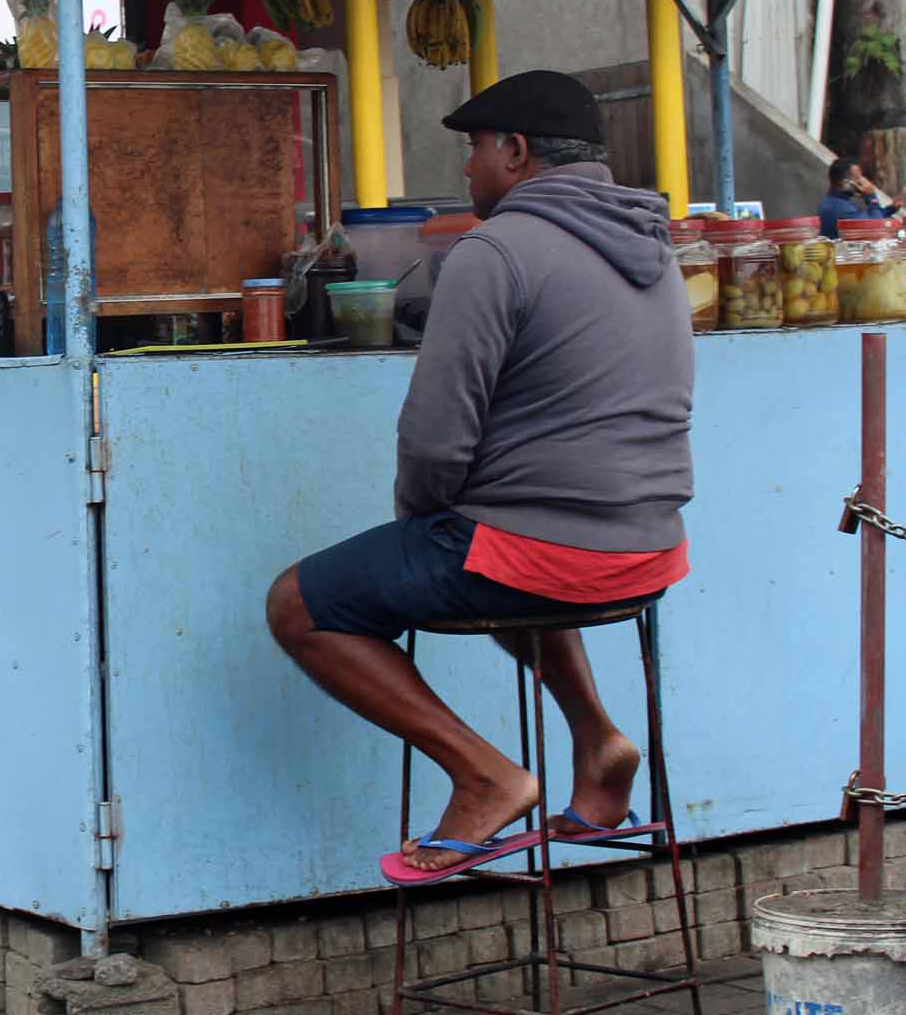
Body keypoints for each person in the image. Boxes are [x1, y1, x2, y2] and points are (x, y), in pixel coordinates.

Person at [264, 70, 694, 886]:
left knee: (298, 604)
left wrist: (420, 524)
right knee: (499, 548)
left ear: (517, 152)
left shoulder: (494, 253)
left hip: (546, 552)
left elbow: (431, 440)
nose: (466, 172)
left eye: (473, 152)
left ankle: (484, 774)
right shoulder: (652, 248)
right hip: (652, 550)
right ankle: (599, 742)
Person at [818, 158, 901, 239]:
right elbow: (876, 227)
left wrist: (890, 209)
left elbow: (867, 219)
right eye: (857, 178)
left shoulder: (835, 202)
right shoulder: (839, 208)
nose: (862, 182)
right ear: (844, 183)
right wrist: (872, 197)